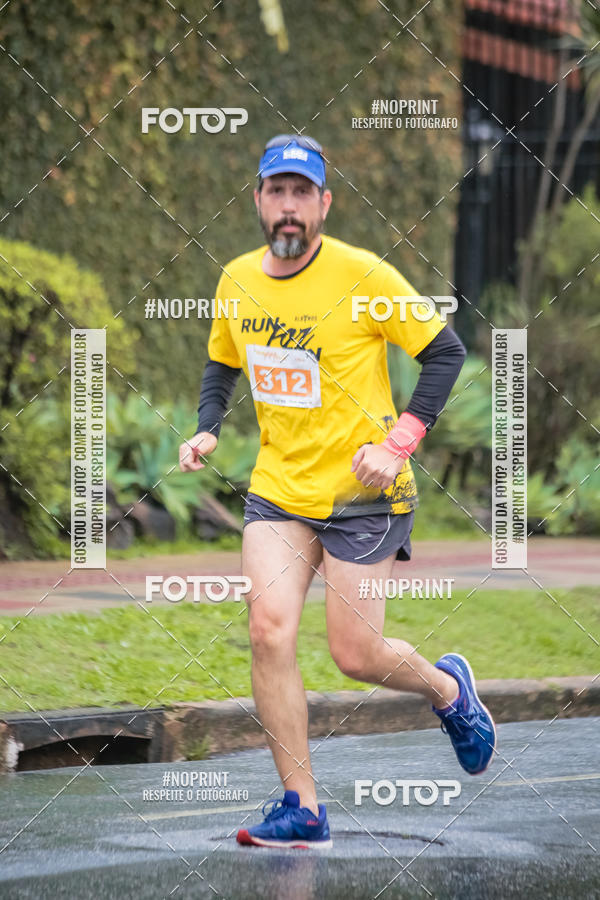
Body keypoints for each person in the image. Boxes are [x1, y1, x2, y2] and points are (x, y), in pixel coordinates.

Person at [179, 135, 496, 849]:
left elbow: (445, 351)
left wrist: (398, 443)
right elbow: (221, 365)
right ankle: (303, 807)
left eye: (302, 193)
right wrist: (207, 428)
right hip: (279, 492)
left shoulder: (365, 274)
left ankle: (448, 691)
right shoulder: (235, 280)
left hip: (362, 494)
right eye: (276, 191)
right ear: (258, 201)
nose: (288, 206)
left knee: (356, 654)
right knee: (268, 631)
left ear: (324, 203)